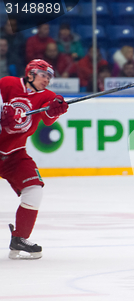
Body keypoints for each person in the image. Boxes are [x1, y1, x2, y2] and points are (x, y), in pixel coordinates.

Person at [0, 59, 69, 259]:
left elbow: (48, 118)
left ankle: (19, 238)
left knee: (34, 189)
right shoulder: (7, 84)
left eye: (49, 77)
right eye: (43, 75)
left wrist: (56, 110)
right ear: (30, 73)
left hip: (15, 153)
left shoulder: (47, 96)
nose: (47, 80)